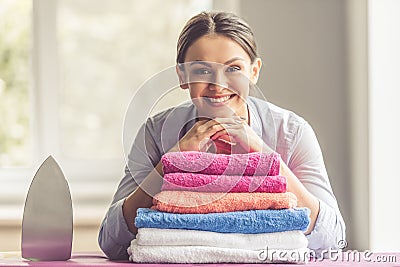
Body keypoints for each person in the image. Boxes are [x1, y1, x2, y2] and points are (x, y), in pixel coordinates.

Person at [98, 11, 346, 260]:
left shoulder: (291, 133)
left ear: (254, 71)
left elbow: (333, 239)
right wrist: (170, 163)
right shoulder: (155, 132)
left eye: (234, 68)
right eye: (202, 71)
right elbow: (111, 240)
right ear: (182, 76)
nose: (218, 85)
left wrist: (266, 156)